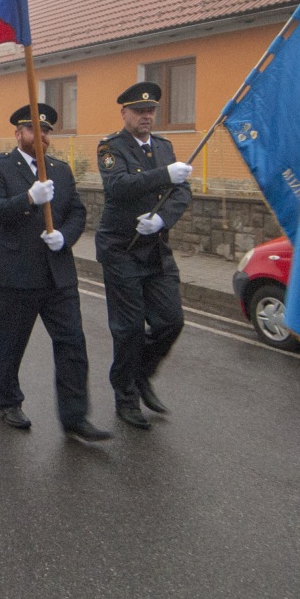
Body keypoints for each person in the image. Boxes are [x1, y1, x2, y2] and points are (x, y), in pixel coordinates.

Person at [0, 104, 111, 443]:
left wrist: (64, 236)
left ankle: (75, 416)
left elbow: (78, 213)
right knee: (11, 342)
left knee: (72, 343)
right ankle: (9, 401)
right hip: (16, 272)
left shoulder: (61, 170)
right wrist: (27, 198)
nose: (42, 136)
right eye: (34, 130)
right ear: (18, 134)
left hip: (57, 273)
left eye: (47, 131)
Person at [95, 81, 193, 429]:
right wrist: (164, 174)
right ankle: (126, 396)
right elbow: (118, 186)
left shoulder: (164, 147)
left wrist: (163, 219)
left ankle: (141, 374)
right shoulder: (111, 147)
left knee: (171, 321)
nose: (146, 116)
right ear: (125, 113)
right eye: (139, 111)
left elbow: (182, 192)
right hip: (121, 248)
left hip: (155, 249)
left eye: (150, 111)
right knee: (129, 329)